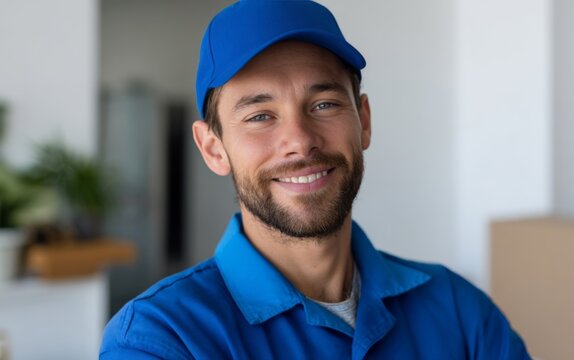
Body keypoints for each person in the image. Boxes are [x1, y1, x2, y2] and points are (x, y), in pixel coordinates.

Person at [100, 0, 531, 358]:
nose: (300, 141)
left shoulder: (457, 309)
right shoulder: (160, 338)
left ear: (363, 120)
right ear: (213, 148)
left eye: (323, 104)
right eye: (260, 116)